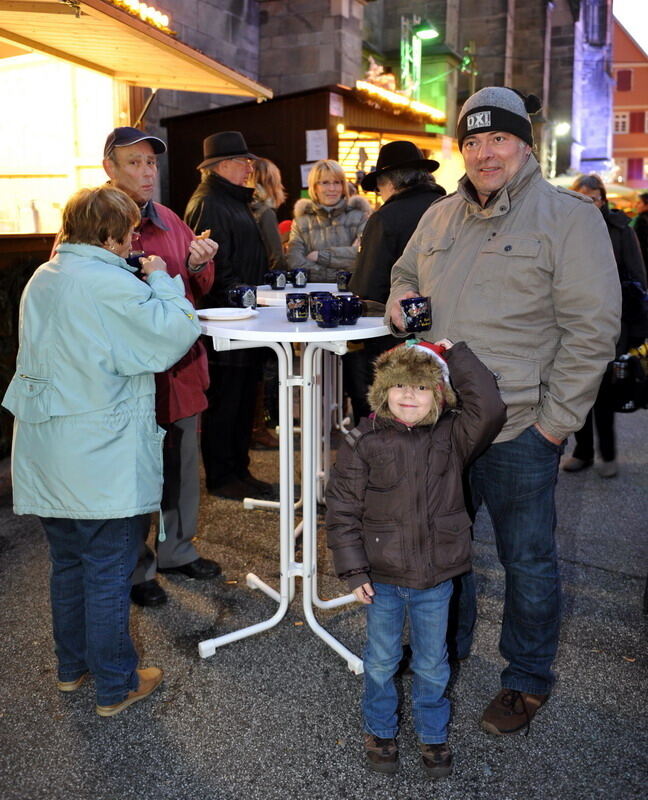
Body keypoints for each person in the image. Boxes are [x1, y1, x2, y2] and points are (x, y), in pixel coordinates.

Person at [386, 86, 621, 735]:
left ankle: (525, 678)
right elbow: (402, 277)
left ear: (523, 144)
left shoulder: (569, 218)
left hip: (520, 427)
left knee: (529, 560)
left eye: (497, 138)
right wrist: (400, 304)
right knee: (441, 549)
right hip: (441, 424)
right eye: (472, 140)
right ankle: (442, 650)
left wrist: (554, 425)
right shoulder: (437, 217)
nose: (484, 153)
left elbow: (593, 330)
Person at [2, 186, 201, 716]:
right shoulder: (112, 284)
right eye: (130, 232)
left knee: (68, 565)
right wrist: (161, 277)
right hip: (101, 452)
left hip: (46, 448)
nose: (135, 239)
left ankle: (73, 670)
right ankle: (116, 684)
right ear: (112, 235)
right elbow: (175, 334)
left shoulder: (44, 277)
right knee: (109, 569)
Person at [326, 340, 506, 775]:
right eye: (400, 385)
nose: (409, 396)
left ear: (439, 394)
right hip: (381, 577)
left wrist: (454, 353)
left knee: (431, 662)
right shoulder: (361, 439)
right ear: (382, 390)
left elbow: (491, 407)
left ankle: (432, 734)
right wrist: (353, 570)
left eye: (422, 387)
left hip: (435, 578)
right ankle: (380, 728)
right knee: (382, 659)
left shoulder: (453, 434)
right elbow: (342, 509)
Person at [103, 126, 221, 608]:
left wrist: (199, 263)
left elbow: (198, 289)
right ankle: (136, 568)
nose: (147, 171)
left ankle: (176, 549)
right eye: (134, 162)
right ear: (109, 167)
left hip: (180, 370)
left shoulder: (171, 219)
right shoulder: (94, 220)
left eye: (151, 162)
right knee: (132, 477)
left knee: (180, 467)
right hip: (127, 374)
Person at [184, 131, 272, 501]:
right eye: (242, 161)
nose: (249, 167)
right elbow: (212, 265)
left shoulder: (232, 200)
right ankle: (223, 475)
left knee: (240, 401)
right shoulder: (210, 203)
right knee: (226, 401)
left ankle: (239, 469)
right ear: (221, 166)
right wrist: (242, 298)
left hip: (243, 317)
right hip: (227, 321)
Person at [562, 175, 646, 477]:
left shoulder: (620, 229)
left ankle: (607, 454)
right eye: (582, 198)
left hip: (613, 322)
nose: (589, 203)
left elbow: (637, 277)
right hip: (571, 321)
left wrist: (638, 326)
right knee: (579, 390)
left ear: (603, 198)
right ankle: (582, 452)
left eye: (594, 198)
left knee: (607, 389)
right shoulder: (565, 227)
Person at [286, 159, 371, 282]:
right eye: (325, 183)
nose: (332, 188)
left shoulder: (359, 217)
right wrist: (340, 272)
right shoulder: (301, 221)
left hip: (350, 294)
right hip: (314, 294)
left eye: (337, 182)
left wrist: (319, 256)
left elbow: (365, 257)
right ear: (314, 187)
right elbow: (294, 262)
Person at [250, 157, 288, 271]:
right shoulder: (266, 213)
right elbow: (276, 257)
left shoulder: (242, 207)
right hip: (263, 281)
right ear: (272, 183)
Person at [631, 191, 648, 271]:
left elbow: (637, 242)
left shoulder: (642, 220)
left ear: (646, 205)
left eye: (639, 203)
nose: (636, 205)